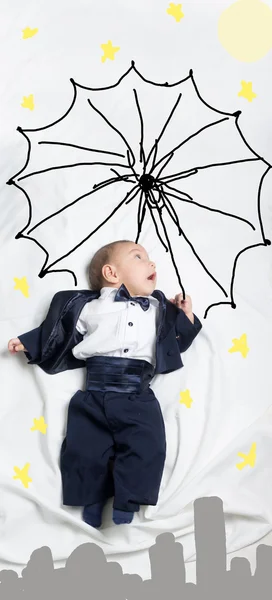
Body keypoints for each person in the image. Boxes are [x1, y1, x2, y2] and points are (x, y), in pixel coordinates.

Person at [8, 239, 202, 528]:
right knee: (83, 446)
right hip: (95, 392)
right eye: (139, 257)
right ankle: (92, 497)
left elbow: (177, 341)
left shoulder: (157, 309)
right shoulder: (90, 308)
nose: (152, 263)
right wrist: (29, 342)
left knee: (149, 445)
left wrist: (185, 315)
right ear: (112, 274)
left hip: (138, 394)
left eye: (149, 259)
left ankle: (128, 499)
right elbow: (59, 330)